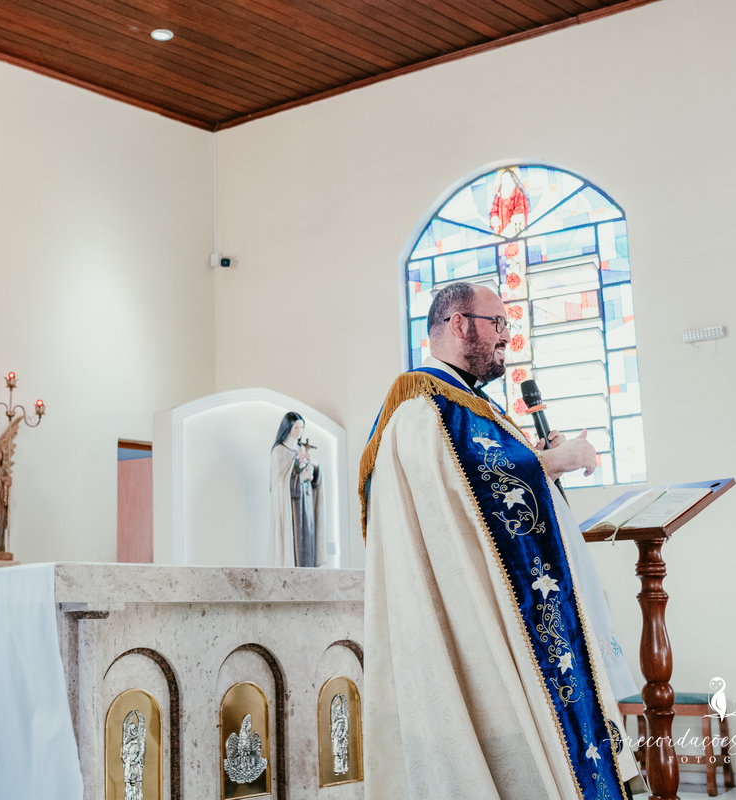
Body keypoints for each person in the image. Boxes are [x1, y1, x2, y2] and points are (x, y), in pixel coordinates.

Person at [360, 281, 642, 799]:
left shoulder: (468, 406)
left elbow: (486, 482)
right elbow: (465, 495)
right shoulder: (421, 408)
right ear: (460, 324)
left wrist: (536, 461)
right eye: (499, 324)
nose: (506, 338)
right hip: (477, 630)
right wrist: (555, 460)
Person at [270, 412, 323, 567]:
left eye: (302, 427)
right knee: (295, 541)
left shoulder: (300, 448)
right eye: (296, 427)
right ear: (288, 428)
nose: (299, 431)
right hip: (291, 507)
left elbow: (313, 475)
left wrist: (314, 469)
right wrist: (302, 478)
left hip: (305, 503)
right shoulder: (279, 451)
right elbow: (280, 482)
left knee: (307, 538)